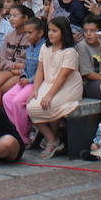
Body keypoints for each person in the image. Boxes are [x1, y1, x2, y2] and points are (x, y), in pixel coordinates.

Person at [26, 17, 83, 157]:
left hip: (68, 86)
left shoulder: (70, 52)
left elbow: (63, 76)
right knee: (32, 107)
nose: (50, 34)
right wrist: (35, 90)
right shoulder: (45, 48)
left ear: (63, 32)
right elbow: (40, 71)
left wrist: (49, 95)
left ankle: (52, 141)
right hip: (49, 83)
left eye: (55, 31)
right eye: (49, 30)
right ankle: (52, 139)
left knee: (50, 104)